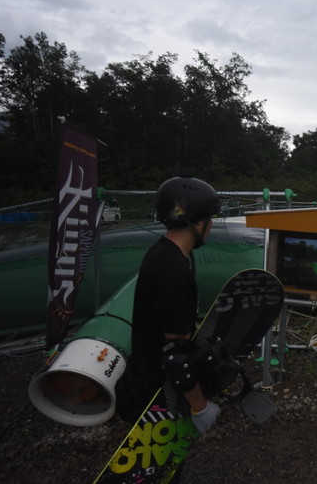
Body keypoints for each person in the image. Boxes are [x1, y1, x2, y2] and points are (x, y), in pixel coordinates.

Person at [115, 176, 222, 438]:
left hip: (141, 380)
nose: (212, 225)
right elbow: (176, 356)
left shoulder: (160, 253)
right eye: (211, 218)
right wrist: (200, 407)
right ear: (199, 221)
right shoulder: (175, 273)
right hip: (156, 398)